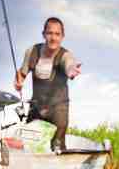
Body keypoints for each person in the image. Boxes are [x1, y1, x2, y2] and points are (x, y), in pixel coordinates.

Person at [14, 17, 81, 152]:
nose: (53, 38)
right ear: (44, 34)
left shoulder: (65, 55)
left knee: (57, 147)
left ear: (62, 37)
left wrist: (71, 71)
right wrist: (18, 81)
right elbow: (22, 72)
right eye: (50, 33)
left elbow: (69, 65)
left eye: (57, 34)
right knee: (28, 145)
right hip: (36, 107)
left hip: (58, 108)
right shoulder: (32, 51)